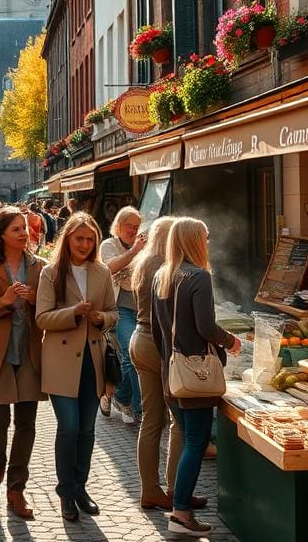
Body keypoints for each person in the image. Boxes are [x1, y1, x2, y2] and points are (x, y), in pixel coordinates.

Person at [152, 217, 241, 536]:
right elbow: (206, 327)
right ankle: (181, 515)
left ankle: (182, 497)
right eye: (205, 236)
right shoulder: (199, 276)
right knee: (196, 441)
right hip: (197, 377)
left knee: (189, 437)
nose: (208, 241)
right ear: (193, 241)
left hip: (172, 375)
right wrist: (231, 341)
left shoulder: (162, 274)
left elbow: (158, 331)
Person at [36, 212, 118, 522]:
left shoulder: (102, 272)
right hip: (60, 360)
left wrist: (102, 318)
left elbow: (113, 313)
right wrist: (73, 312)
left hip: (93, 360)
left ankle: (81, 487)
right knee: (68, 426)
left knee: (87, 429)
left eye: (89, 239)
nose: (84, 244)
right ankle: (65, 490)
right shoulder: (51, 273)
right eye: (79, 238)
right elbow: (42, 317)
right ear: (67, 238)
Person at [0, 207, 46, 519]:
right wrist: (3, 301)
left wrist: (32, 301)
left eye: (25, 228)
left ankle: (17, 488)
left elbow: (47, 310)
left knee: (27, 424)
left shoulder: (40, 267)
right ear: (1, 234)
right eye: (16, 229)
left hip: (28, 353)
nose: (23, 233)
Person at [129, 216, 183, 511]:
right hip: (158, 345)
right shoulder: (166, 267)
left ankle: (150, 490)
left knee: (151, 420)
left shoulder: (144, 261)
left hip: (140, 338)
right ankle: (177, 490)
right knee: (179, 422)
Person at [98, 206, 146, 424]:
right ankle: (139, 410)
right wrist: (134, 251)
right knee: (129, 354)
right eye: (129, 226)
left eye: (137, 226)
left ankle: (119, 396)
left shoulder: (144, 244)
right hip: (120, 307)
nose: (133, 230)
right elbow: (109, 268)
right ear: (119, 225)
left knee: (138, 357)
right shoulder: (109, 245)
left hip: (143, 308)